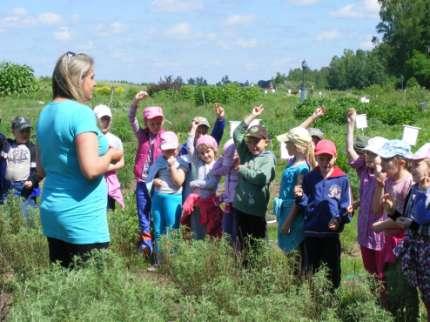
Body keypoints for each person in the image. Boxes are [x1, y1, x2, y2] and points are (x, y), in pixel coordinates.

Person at [36, 52, 123, 267]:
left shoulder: (46, 113)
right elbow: (91, 170)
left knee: (63, 288)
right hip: (81, 219)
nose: (94, 83)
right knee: (89, 292)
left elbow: (41, 168)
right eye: (91, 77)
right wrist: (111, 154)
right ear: (78, 79)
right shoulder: (81, 114)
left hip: (53, 212)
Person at [371, 139, 419, 320]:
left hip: (404, 242)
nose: (382, 163)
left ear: (401, 162)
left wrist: (381, 226)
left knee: (405, 286)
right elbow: (379, 210)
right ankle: (395, 314)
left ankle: (409, 316)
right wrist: (380, 187)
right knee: (391, 283)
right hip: (389, 241)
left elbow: (406, 221)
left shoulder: (408, 184)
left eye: (386, 159)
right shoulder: (389, 180)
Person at [295, 139, 352, 289]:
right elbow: (304, 203)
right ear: (315, 157)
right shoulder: (309, 177)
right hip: (311, 231)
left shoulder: (342, 178)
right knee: (310, 269)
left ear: (335, 157)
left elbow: (346, 206)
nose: (325, 162)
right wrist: (299, 196)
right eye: (321, 158)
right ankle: (312, 299)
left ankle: (332, 299)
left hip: (330, 233)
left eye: (329, 158)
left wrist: (340, 219)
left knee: (332, 270)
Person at [385, 143, 430, 322]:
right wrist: (392, 212)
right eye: (411, 163)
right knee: (425, 297)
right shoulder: (414, 189)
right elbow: (405, 220)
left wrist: (412, 225)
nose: (412, 167)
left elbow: (415, 225)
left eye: (417, 163)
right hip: (416, 254)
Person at [346, 108, 386, 280]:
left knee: (382, 274)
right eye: (367, 153)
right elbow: (349, 149)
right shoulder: (363, 170)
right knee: (370, 272)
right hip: (365, 230)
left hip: (380, 233)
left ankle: (384, 303)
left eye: (373, 154)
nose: (368, 156)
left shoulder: (386, 176)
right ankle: (375, 301)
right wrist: (351, 125)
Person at [232, 105, 276, 262]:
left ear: (266, 142)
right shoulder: (246, 152)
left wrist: (241, 169)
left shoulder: (268, 158)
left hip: (256, 213)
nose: (253, 145)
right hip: (241, 208)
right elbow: (237, 132)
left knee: (258, 248)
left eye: (257, 141)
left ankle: (260, 276)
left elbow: (261, 179)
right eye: (250, 141)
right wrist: (252, 115)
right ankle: (244, 275)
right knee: (242, 246)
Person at [128, 91, 165, 256]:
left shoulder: (165, 138)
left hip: (157, 183)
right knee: (142, 212)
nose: (156, 126)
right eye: (152, 123)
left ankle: (158, 242)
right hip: (142, 182)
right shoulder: (142, 135)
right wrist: (135, 102)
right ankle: (146, 244)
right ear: (146, 122)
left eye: (159, 122)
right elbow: (131, 119)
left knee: (155, 213)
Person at [145, 131, 187, 269]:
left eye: (172, 149)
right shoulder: (159, 160)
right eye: (166, 150)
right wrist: (154, 181)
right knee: (158, 229)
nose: (169, 152)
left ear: (177, 148)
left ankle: (173, 262)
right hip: (158, 197)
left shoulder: (181, 162)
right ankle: (159, 261)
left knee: (173, 229)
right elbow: (149, 176)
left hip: (173, 198)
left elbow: (179, 182)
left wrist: (172, 166)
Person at [274, 127, 316, 258]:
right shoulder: (292, 161)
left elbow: (299, 200)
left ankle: (298, 278)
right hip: (285, 212)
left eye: (288, 143)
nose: (285, 145)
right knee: (289, 255)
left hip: (293, 217)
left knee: (295, 255)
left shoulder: (303, 169)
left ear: (297, 146)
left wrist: (288, 222)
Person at [181, 133, 222, 239]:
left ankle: (209, 250)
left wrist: (195, 183)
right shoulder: (198, 163)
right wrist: (192, 131)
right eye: (202, 153)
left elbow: (212, 184)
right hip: (197, 203)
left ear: (214, 150)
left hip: (209, 203)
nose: (205, 155)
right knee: (196, 226)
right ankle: (195, 243)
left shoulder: (217, 166)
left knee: (210, 228)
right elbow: (190, 148)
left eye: (208, 151)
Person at [2, 116, 41, 216]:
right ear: (13, 131)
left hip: (24, 189)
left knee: (27, 216)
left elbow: (38, 170)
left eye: (27, 130)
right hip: (7, 188)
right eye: (22, 131)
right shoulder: (7, 145)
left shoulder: (32, 148)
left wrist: (32, 180)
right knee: (7, 215)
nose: (25, 134)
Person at [93, 104, 125, 210]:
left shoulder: (115, 140)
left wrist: (107, 168)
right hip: (93, 181)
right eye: (102, 119)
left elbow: (121, 162)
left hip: (109, 182)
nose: (105, 123)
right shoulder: (90, 138)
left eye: (108, 119)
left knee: (109, 209)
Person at [211, 139, 239, 244]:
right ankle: (230, 257)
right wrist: (222, 158)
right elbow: (215, 171)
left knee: (236, 234)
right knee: (227, 233)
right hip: (228, 204)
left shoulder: (239, 168)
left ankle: (237, 257)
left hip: (237, 205)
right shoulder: (228, 168)